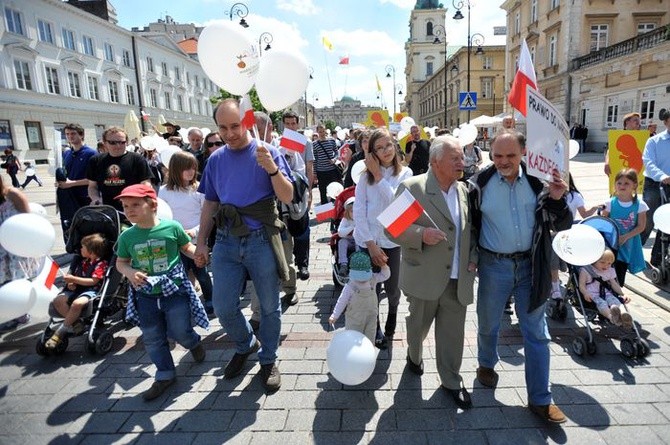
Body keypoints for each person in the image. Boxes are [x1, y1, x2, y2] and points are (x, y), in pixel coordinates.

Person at [470, 129, 571, 423]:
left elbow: (563, 222)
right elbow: (468, 225)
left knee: (537, 333)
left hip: (531, 267)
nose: (503, 161)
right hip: (493, 265)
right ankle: (486, 363)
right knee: (488, 323)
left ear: (523, 153)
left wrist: (557, 199)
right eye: (498, 155)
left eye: (510, 155)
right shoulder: (479, 184)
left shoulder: (540, 180)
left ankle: (541, 399)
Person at [194, 98, 294, 392]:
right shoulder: (215, 159)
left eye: (235, 125)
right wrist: (201, 242)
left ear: (247, 122)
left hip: (261, 238)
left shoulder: (268, 151)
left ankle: (268, 359)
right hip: (226, 240)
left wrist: (273, 169)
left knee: (269, 307)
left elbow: (288, 197)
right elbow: (210, 202)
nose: (229, 133)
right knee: (224, 307)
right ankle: (246, 343)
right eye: (223, 127)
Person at [391, 134, 477, 410]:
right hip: (423, 278)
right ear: (436, 161)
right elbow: (391, 229)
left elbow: (470, 231)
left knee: (452, 334)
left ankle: (451, 380)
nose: (462, 162)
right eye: (456, 158)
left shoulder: (463, 190)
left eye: (462, 157)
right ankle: (413, 356)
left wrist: (472, 258)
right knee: (417, 328)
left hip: (457, 278)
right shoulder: (413, 188)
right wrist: (420, 234)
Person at [115, 183, 208, 401]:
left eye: (136, 205)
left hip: (174, 292)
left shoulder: (172, 227)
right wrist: (129, 272)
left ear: (153, 205)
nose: (129, 210)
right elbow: (121, 262)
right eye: (126, 206)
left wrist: (198, 254)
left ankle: (193, 342)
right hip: (145, 295)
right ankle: (165, 374)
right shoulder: (127, 236)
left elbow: (187, 247)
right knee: (153, 338)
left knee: (180, 331)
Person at [353, 128, 413, 349]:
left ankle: (393, 315)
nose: (385, 151)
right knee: (371, 290)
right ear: (372, 153)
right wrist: (369, 244)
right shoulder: (363, 177)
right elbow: (359, 210)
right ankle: (375, 328)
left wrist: (379, 177)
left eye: (388, 145)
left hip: (392, 242)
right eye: (379, 148)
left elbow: (398, 204)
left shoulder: (406, 174)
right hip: (368, 242)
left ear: (395, 146)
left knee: (392, 288)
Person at [158, 151, 213, 314]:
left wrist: (195, 232)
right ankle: (186, 301)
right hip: (175, 242)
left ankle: (210, 298)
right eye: (186, 168)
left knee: (201, 273)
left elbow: (207, 214)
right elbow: (162, 216)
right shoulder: (163, 191)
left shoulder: (199, 189)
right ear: (175, 169)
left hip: (196, 240)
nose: (191, 172)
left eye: (193, 168)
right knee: (179, 274)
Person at [45, 233, 109, 349]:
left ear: (91, 251)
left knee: (77, 304)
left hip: (91, 290)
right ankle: (75, 323)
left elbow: (93, 281)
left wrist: (74, 279)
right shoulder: (83, 261)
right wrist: (71, 283)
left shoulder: (101, 264)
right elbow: (75, 276)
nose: (80, 249)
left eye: (83, 247)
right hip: (77, 288)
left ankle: (60, 332)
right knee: (58, 300)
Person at [549, 173, 599, 301]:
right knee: (553, 251)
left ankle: (576, 282)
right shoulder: (548, 194)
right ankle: (555, 285)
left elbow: (584, 214)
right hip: (553, 232)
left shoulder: (575, 196)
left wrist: (594, 208)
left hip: (569, 232)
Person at [86, 127, 153, 212]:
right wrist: (96, 199)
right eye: (112, 143)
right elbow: (92, 186)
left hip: (133, 209)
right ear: (105, 143)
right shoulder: (95, 160)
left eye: (122, 142)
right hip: (107, 209)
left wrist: (140, 200)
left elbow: (146, 183)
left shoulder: (137, 159)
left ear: (127, 142)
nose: (118, 146)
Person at [328, 251, 390, 343]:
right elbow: (342, 301)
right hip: (354, 320)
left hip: (371, 318)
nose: (362, 280)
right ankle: (354, 356)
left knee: (370, 339)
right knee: (353, 340)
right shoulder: (350, 285)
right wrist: (335, 315)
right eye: (359, 278)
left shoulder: (373, 278)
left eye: (364, 277)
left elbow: (386, 275)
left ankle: (368, 355)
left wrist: (384, 265)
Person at [282, 110, 315, 281]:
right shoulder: (277, 142)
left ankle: (303, 264)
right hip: (283, 192)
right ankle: (288, 265)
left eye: (293, 123)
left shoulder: (306, 142)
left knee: (303, 227)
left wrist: (309, 193)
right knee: (286, 228)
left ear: (298, 124)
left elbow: (309, 168)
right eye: (287, 124)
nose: (290, 126)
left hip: (301, 191)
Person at [0, 175, 34, 332]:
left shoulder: (12, 194)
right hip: (1, 248)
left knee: (18, 280)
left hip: (16, 245)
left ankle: (21, 312)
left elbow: (28, 218)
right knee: (3, 281)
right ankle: (9, 314)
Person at [601, 168, 647, 285]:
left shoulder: (640, 205)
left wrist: (625, 237)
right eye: (619, 183)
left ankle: (617, 294)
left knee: (620, 273)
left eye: (627, 183)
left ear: (634, 185)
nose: (622, 185)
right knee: (607, 269)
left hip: (628, 244)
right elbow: (603, 222)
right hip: (611, 244)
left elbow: (641, 226)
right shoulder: (609, 203)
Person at [56, 123, 97, 240]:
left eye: (73, 134)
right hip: (69, 198)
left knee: (87, 227)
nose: (70, 137)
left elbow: (95, 180)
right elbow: (66, 175)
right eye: (67, 134)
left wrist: (71, 183)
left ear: (82, 134)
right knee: (72, 226)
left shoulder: (91, 153)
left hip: (85, 197)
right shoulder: (66, 153)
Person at [578, 248, 633, 329]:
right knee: (602, 304)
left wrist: (623, 294)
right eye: (602, 262)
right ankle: (611, 317)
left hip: (607, 293)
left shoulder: (610, 271)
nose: (606, 266)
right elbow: (581, 285)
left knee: (616, 301)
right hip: (593, 295)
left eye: (609, 263)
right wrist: (585, 293)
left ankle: (624, 314)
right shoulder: (586, 271)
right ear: (594, 260)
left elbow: (614, 284)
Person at [642, 108, 670, 265]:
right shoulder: (654, 141)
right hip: (655, 183)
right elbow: (648, 161)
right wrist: (662, 176)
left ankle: (658, 257)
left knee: (667, 221)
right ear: (665, 122)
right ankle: (634, 252)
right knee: (649, 219)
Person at [313, 124, 342, 205]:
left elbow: (337, 152)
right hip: (321, 171)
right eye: (320, 132)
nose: (322, 133)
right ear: (317, 132)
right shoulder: (314, 144)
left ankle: (335, 208)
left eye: (323, 131)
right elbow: (315, 159)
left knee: (334, 191)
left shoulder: (332, 140)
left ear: (325, 130)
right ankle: (325, 213)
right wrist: (315, 173)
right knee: (322, 192)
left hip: (332, 170)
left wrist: (334, 159)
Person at [605, 112, 641, 176]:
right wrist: (607, 163)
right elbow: (610, 150)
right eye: (635, 120)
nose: (638, 122)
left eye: (639, 120)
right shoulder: (617, 136)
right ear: (627, 122)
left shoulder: (643, 137)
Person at [337, 196, 356, 275]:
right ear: (347, 212)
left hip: (358, 241)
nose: (354, 213)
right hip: (348, 240)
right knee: (342, 242)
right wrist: (351, 227)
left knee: (359, 243)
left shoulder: (362, 219)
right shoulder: (345, 220)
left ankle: (356, 262)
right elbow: (340, 233)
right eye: (352, 211)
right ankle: (343, 264)